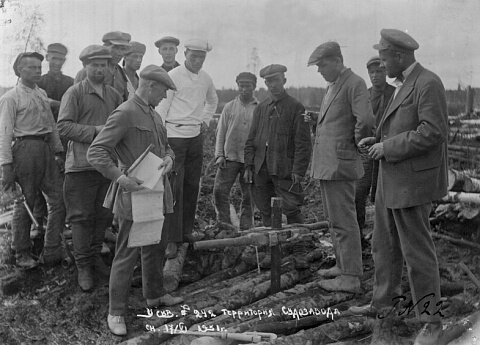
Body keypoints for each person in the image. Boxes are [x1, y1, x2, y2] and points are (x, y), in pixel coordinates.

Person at [354, 29, 448, 345]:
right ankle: (382, 306)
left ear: (400, 56)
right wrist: (379, 142)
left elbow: (432, 132)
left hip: (413, 183)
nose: (381, 66)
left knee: (417, 254)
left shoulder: (428, 83)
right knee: (385, 246)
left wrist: (389, 147)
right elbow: (403, 127)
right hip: (392, 179)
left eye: (384, 59)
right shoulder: (402, 85)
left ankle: (432, 323)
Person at [87, 65, 183, 336]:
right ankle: (115, 312)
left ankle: (154, 296)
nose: (164, 97)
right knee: (127, 252)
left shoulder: (153, 115)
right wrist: (120, 178)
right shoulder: (126, 112)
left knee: (154, 245)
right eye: (163, 91)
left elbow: (166, 148)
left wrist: (169, 159)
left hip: (157, 191)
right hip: (134, 194)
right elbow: (96, 152)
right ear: (150, 86)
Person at [307, 42, 373, 293]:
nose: (319, 70)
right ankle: (343, 266)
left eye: (322, 65)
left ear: (338, 60)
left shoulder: (353, 83)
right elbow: (337, 121)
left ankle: (351, 277)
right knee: (335, 220)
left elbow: (365, 120)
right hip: (328, 165)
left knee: (344, 221)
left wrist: (354, 144)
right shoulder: (334, 85)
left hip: (339, 164)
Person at [57, 45, 123, 291]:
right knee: (81, 217)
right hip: (81, 166)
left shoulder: (114, 96)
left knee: (102, 215)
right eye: (94, 65)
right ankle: (83, 265)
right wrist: (94, 131)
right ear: (85, 67)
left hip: (106, 166)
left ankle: (95, 258)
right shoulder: (74, 93)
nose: (99, 69)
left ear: (109, 68)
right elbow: (63, 127)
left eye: (104, 65)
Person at [0, 52, 65, 268]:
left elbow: (52, 126)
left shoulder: (41, 93)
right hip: (24, 149)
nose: (37, 71)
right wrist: (6, 166)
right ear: (19, 70)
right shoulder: (11, 97)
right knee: (25, 201)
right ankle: (22, 252)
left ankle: (52, 248)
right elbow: (5, 134)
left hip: (45, 148)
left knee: (58, 199)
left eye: (39, 67)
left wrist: (58, 151)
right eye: (31, 68)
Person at [156, 38, 218, 258]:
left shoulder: (206, 79)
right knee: (174, 187)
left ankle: (185, 232)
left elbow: (213, 101)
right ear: (185, 54)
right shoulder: (173, 76)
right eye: (194, 56)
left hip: (195, 138)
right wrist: (162, 138)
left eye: (202, 57)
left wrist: (205, 121)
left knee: (192, 185)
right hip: (174, 137)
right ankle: (171, 238)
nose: (198, 60)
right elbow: (162, 107)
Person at [244, 64, 311, 227]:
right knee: (265, 208)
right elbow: (251, 139)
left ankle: (299, 247)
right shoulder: (260, 108)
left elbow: (303, 143)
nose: (272, 84)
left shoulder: (296, 107)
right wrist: (248, 166)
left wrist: (298, 170)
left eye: (276, 80)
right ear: (265, 84)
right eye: (268, 81)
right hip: (261, 168)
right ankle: (271, 247)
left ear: (284, 80)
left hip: (284, 168)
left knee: (292, 208)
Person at [33, 43, 73, 235]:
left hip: (65, 136)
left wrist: (57, 106)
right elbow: (39, 103)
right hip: (43, 135)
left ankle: (64, 220)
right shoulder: (38, 81)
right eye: (53, 58)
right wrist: (59, 104)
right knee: (42, 177)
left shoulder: (70, 82)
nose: (56, 62)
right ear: (47, 58)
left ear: (64, 61)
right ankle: (39, 221)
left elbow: (74, 105)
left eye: (60, 59)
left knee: (64, 176)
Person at [354, 56, 395, 238]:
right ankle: (358, 234)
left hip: (388, 151)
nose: (375, 75)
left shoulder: (396, 94)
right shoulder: (366, 96)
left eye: (379, 71)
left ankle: (385, 234)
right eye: (372, 72)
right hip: (367, 151)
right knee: (359, 192)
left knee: (385, 193)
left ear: (386, 72)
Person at [213, 72, 258, 230]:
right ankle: (224, 225)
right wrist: (219, 155)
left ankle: (246, 229)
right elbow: (221, 132)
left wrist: (255, 161)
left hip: (249, 161)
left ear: (254, 86)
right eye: (241, 85)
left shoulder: (259, 109)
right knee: (220, 191)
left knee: (249, 196)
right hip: (229, 158)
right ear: (237, 86)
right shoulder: (229, 107)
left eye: (248, 85)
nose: (244, 89)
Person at [75, 31, 131, 101]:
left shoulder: (121, 73)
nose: (119, 53)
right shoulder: (87, 71)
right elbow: (76, 98)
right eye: (115, 48)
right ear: (105, 47)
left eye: (123, 49)